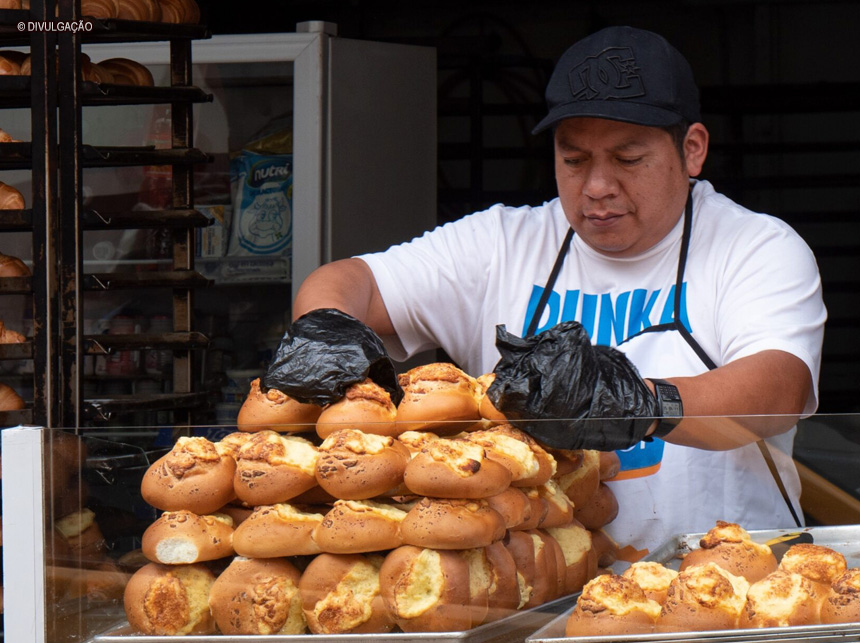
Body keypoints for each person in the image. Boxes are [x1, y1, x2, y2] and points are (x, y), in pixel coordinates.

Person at [288, 25, 826, 551]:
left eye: (627, 159)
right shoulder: (501, 243)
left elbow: (779, 389)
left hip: (724, 585)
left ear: (692, 149)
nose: (596, 187)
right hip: (543, 594)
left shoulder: (754, 246)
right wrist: (326, 331)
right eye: (573, 159)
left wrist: (637, 403)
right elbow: (344, 281)